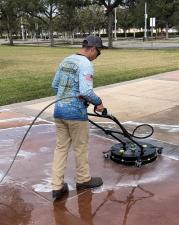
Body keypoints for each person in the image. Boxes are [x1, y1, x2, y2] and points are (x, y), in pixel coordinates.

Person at [51, 35, 106, 199]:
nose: (97, 56)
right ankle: (83, 180)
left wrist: (67, 97)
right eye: (99, 52)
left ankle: (57, 186)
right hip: (76, 114)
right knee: (80, 147)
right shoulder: (86, 64)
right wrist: (99, 103)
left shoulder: (66, 60)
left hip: (59, 112)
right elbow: (86, 91)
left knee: (61, 148)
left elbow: (54, 85)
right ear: (93, 49)